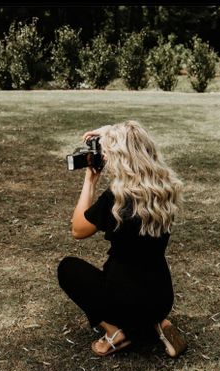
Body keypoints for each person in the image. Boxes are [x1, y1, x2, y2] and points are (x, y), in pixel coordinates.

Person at [57, 120, 187, 357]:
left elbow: (78, 230)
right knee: (143, 285)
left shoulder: (117, 198)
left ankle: (115, 333)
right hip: (162, 297)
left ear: (120, 157)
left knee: (68, 268)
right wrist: (108, 131)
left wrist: (90, 181)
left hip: (125, 302)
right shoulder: (165, 189)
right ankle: (158, 321)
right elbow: (134, 136)